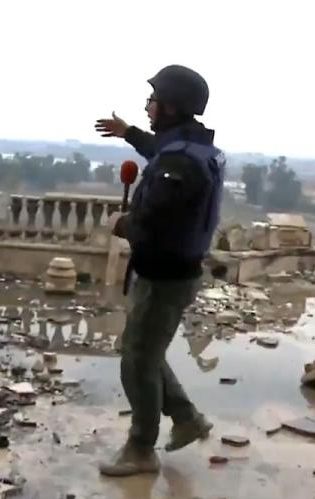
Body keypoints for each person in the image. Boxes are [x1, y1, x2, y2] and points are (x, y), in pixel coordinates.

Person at [94, 64, 225, 476]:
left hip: (164, 276)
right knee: (145, 352)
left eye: (152, 100)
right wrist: (128, 131)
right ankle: (186, 418)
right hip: (173, 271)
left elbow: (156, 216)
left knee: (136, 360)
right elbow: (160, 151)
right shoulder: (191, 149)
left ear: (170, 106)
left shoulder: (181, 163)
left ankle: (140, 448)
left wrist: (124, 224)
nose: (148, 106)